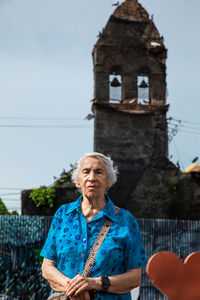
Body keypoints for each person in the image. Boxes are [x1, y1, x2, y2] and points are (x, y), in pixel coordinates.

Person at [41, 152, 147, 300]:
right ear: (78, 181)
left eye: (98, 172)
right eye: (86, 172)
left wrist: (95, 283)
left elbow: (135, 277)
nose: (91, 178)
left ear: (108, 181)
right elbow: (47, 267)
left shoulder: (125, 220)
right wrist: (73, 288)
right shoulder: (63, 214)